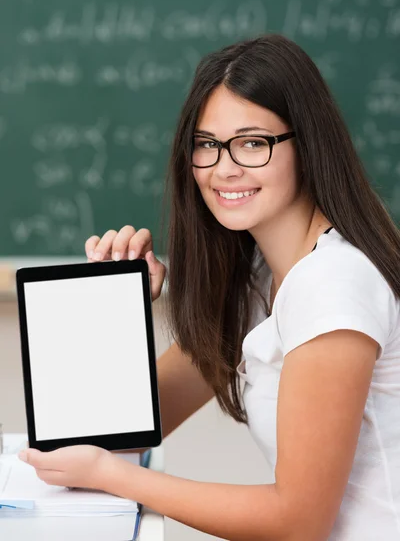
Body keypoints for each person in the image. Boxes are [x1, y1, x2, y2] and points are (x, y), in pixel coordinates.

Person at [19, 34, 400, 541]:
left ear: (306, 144)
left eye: (252, 142)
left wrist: (116, 479)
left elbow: (299, 520)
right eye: (206, 144)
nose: (224, 168)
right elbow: (120, 433)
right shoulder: (261, 284)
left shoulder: (331, 284)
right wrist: (114, 310)